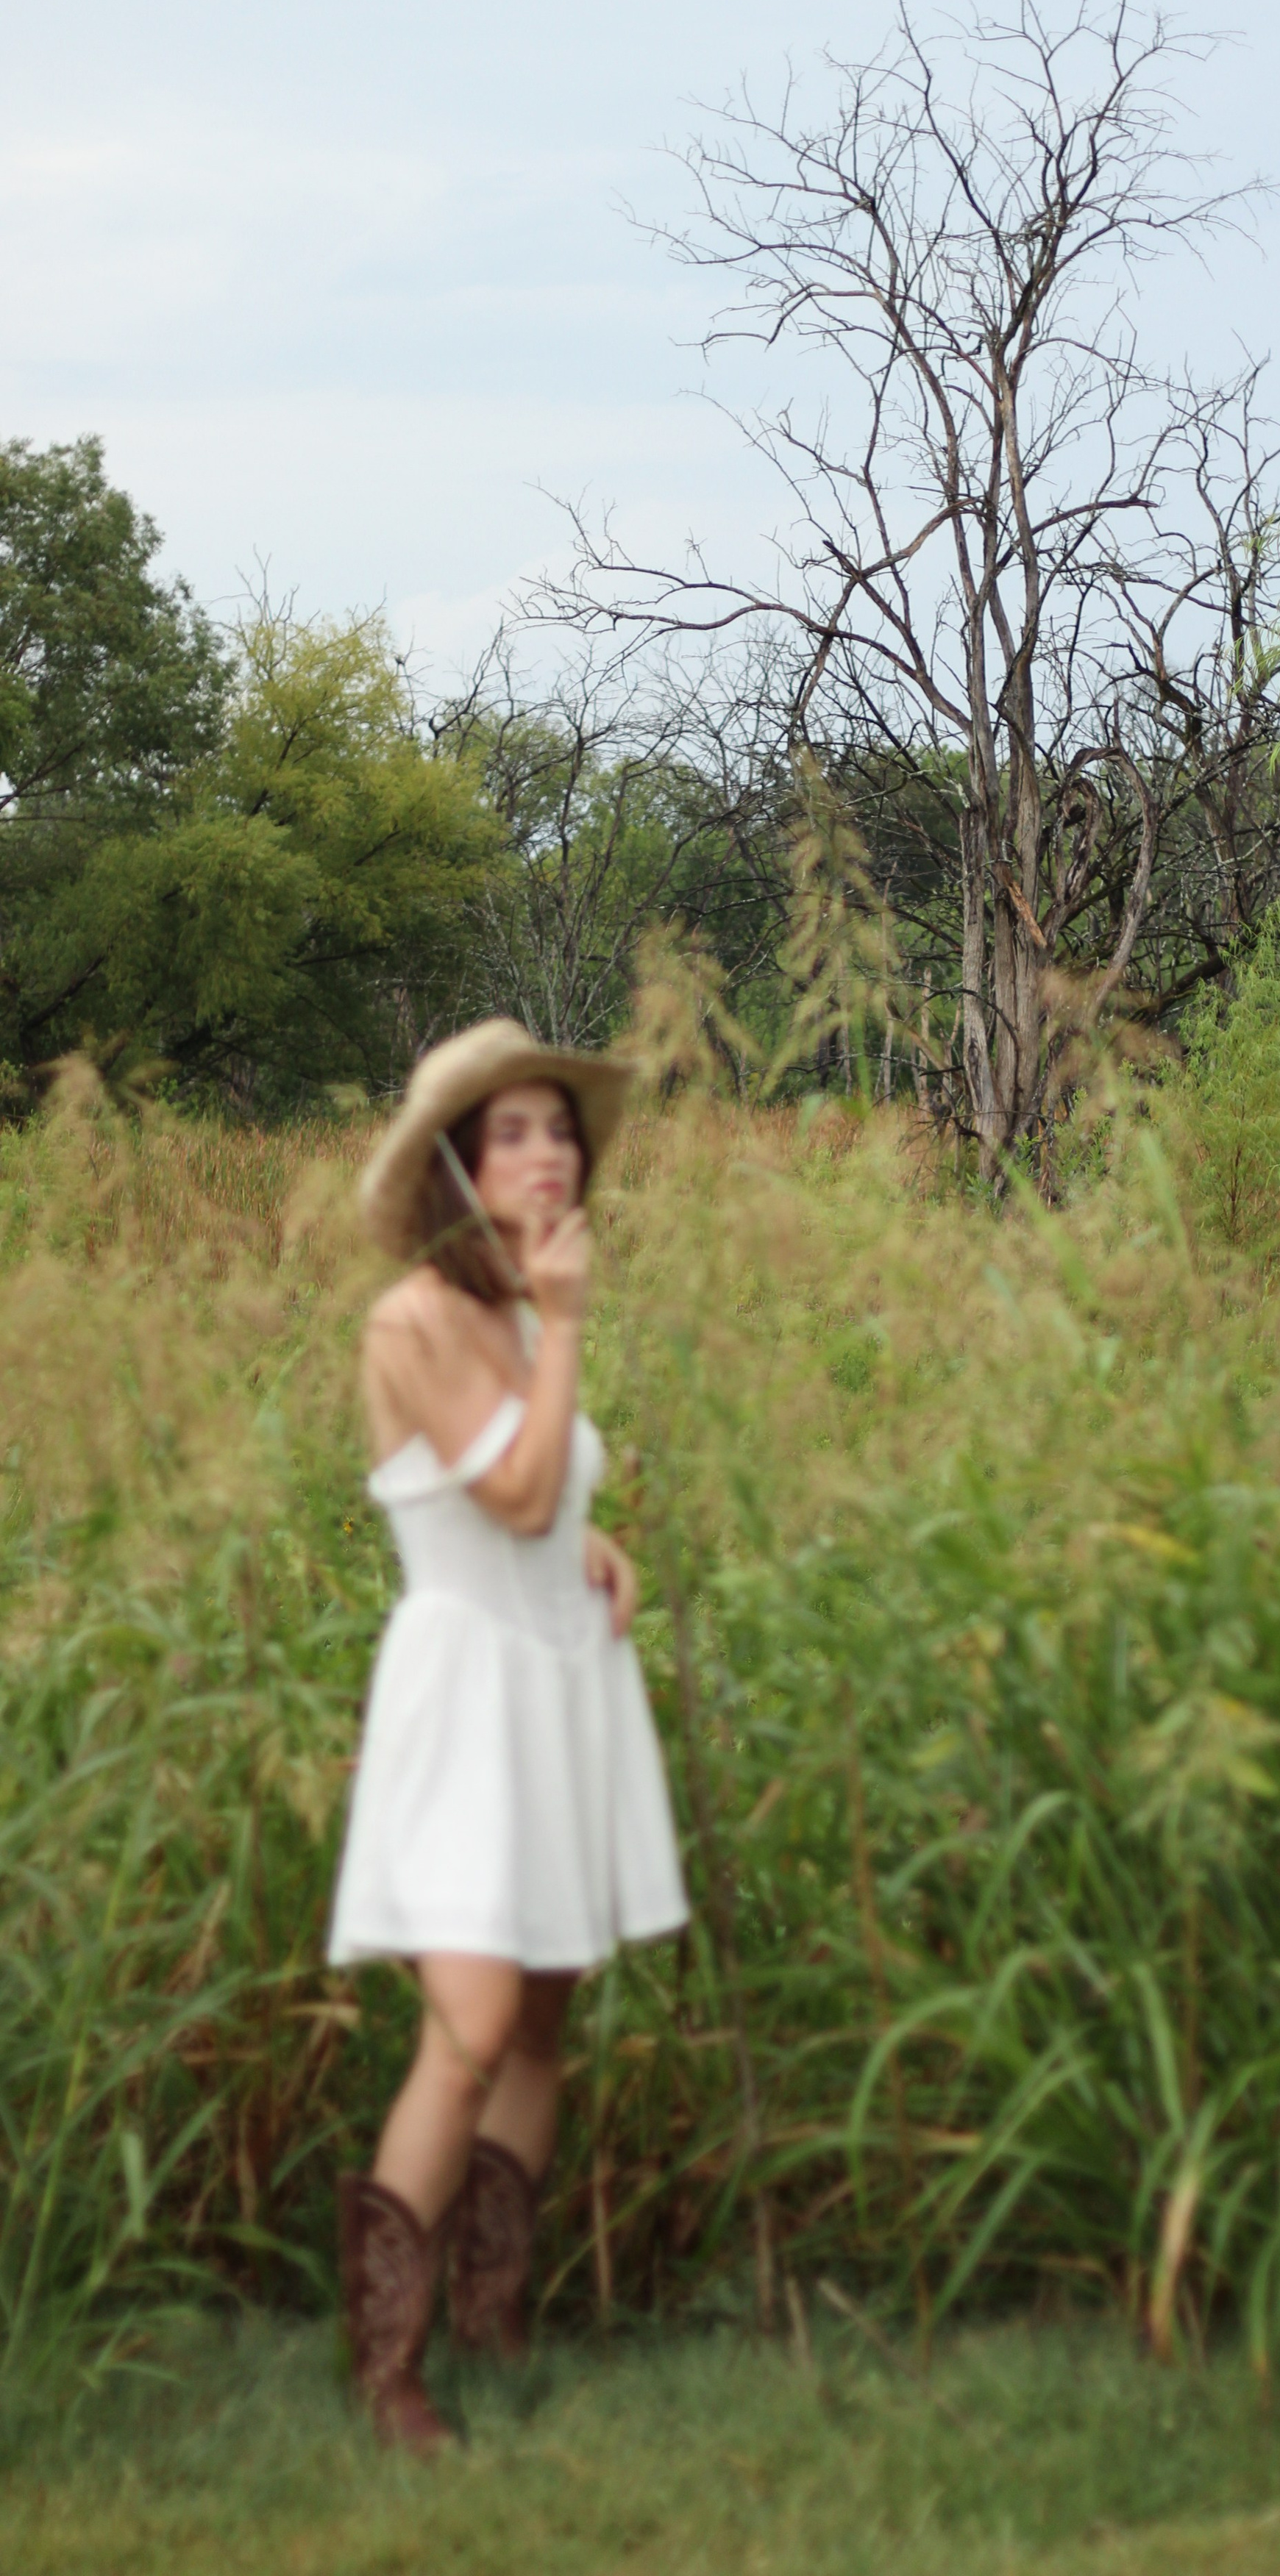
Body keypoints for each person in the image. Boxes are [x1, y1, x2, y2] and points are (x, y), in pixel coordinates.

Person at [327, 1019, 688, 2449]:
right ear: (456, 1167)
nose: (546, 1155)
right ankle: (388, 2365)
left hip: (557, 1677)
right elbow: (515, 1497)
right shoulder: (412, 1317)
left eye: (559, 1129)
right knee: (470, 2026)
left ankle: (490, 2312)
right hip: (469, 1697)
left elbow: (535, 1503)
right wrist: (573, 1336)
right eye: (512, 1133)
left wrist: (594, 1545)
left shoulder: (521, 1307)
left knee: (543, 2018)